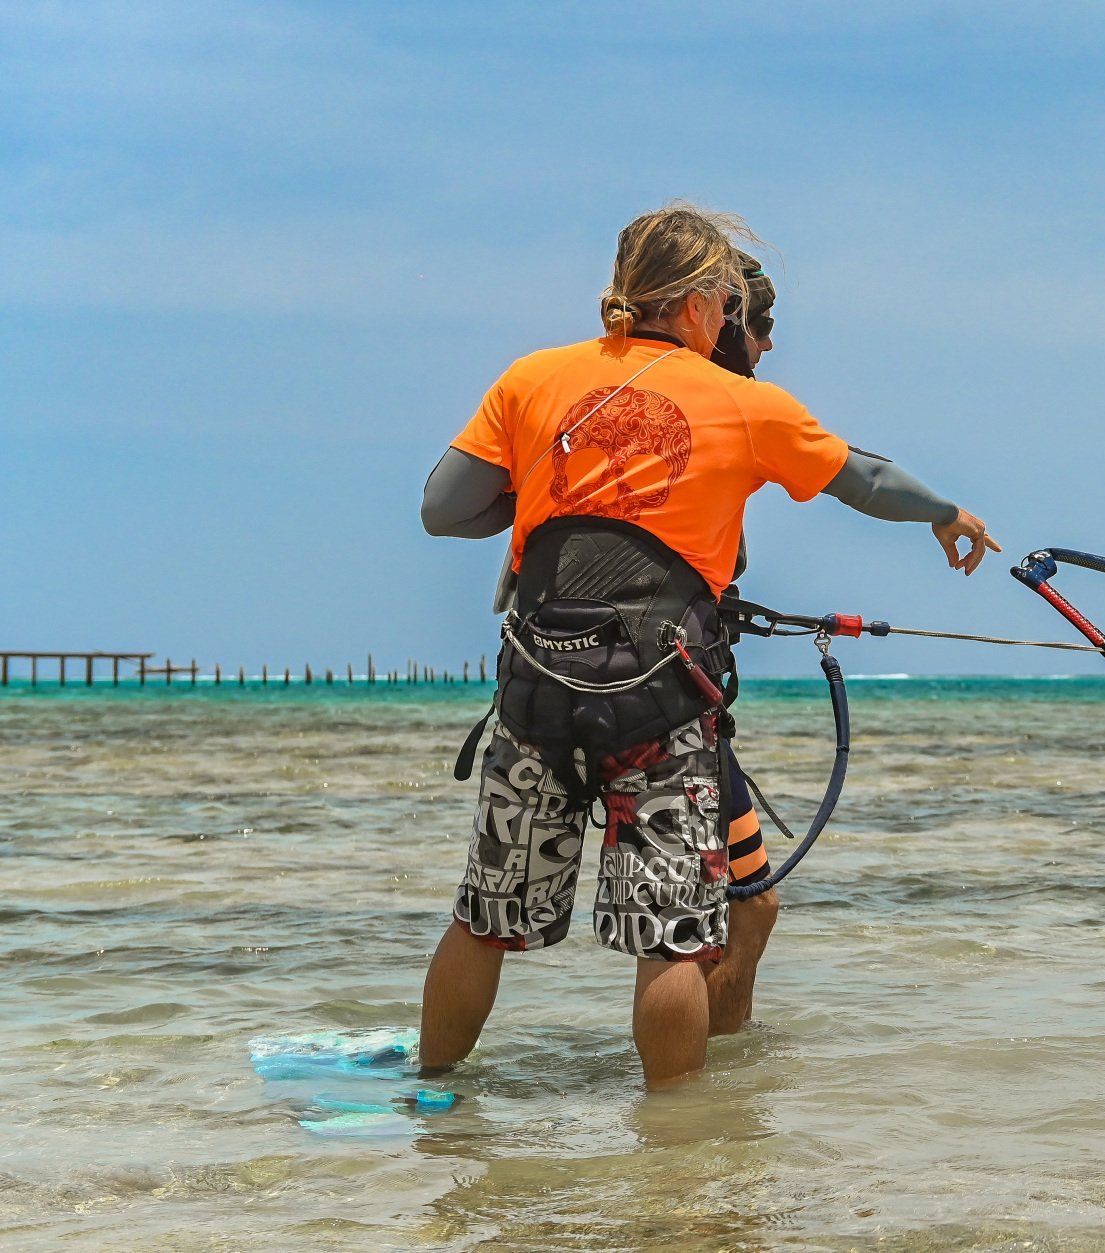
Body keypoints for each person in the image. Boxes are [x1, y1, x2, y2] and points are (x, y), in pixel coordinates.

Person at [417, 203, 997, 1086]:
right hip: (659, 710)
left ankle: (431, 1096)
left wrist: (544, 491)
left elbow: (442, 509)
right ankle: (680, 1154)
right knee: (673, 948)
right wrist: (947, 512)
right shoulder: (742, 401)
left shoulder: (531, 379)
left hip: (537, 696)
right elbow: (867, 480)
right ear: (693, 302)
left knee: (483, 921)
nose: (730, 319)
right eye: (725, 300)